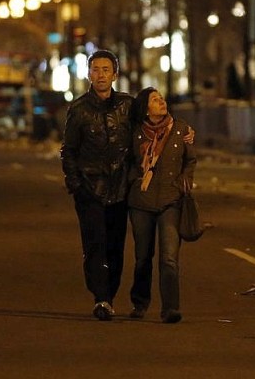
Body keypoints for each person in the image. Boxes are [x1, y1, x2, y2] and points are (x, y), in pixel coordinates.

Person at [61, 50, 133, 321]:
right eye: (95, 69)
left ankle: (110, 295)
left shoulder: (127, 106)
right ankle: (101, 298)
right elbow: (68, 150)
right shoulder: (79, 109)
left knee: (115, 246)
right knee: (95, 244)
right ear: (88, 73)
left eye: (106, 70)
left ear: (115, 74)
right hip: (89, 189)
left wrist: (183, 132)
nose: (100, 75)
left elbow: (152, 125)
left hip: (121, 189)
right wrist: (75, 184)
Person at [126, 86, 196, 324]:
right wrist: (133, 182)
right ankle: (140, 303)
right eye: (155, 100)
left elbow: (191, 159)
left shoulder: (180, 129)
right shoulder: (135, 132)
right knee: (143, 257)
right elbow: (127, 161)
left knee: (169, 258)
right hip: (141, 203)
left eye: (161, 98)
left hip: (171, 201)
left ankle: (170, 308)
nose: (161, 102)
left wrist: (184, 181)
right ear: (145, 109)